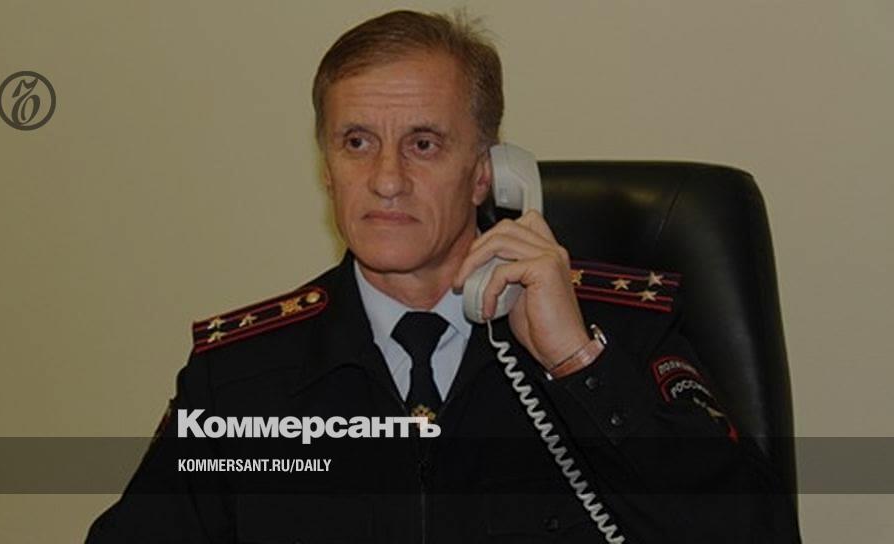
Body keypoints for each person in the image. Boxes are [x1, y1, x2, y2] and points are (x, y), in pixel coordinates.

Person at [87, 9, 799, 543]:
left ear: (487, 172)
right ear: (326, 167)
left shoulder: (620, 336)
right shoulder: (244, 376)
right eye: (357, 142)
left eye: (423, 144)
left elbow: (757, 533)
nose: (386, 179)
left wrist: (578, 366)